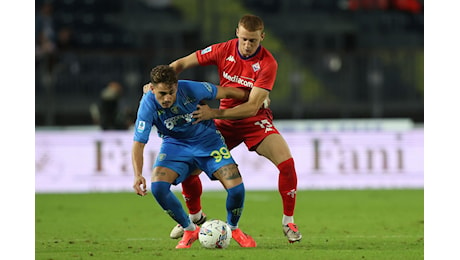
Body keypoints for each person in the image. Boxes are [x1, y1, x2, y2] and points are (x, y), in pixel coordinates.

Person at [165, 13, 303, 243]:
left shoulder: (268, 64)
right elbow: (180, 64)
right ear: (237, 33)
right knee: (190, 170)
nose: (248, 45)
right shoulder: (223, 50)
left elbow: (251, 108)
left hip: (253, 121)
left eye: (253, 41)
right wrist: (160, 83)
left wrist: (213, 113)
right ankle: (194, 217)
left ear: (262, 37)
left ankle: (288, 221)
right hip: (225, 123)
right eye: (244, 39)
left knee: (287, 164)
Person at [132, 65, 257, 248]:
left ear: (177, 86)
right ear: (152, 88)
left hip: (208, 141)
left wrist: (255, 98)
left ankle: (234, 229)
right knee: (158, 187)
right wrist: (137, 174)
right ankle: (190, 229)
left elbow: (227, 91)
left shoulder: (191, 88)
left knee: (236, 189)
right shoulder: (147, 104)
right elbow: (138, 143)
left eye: (171, 92)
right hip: (175, 145)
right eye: (162, 94)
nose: (167, 98)